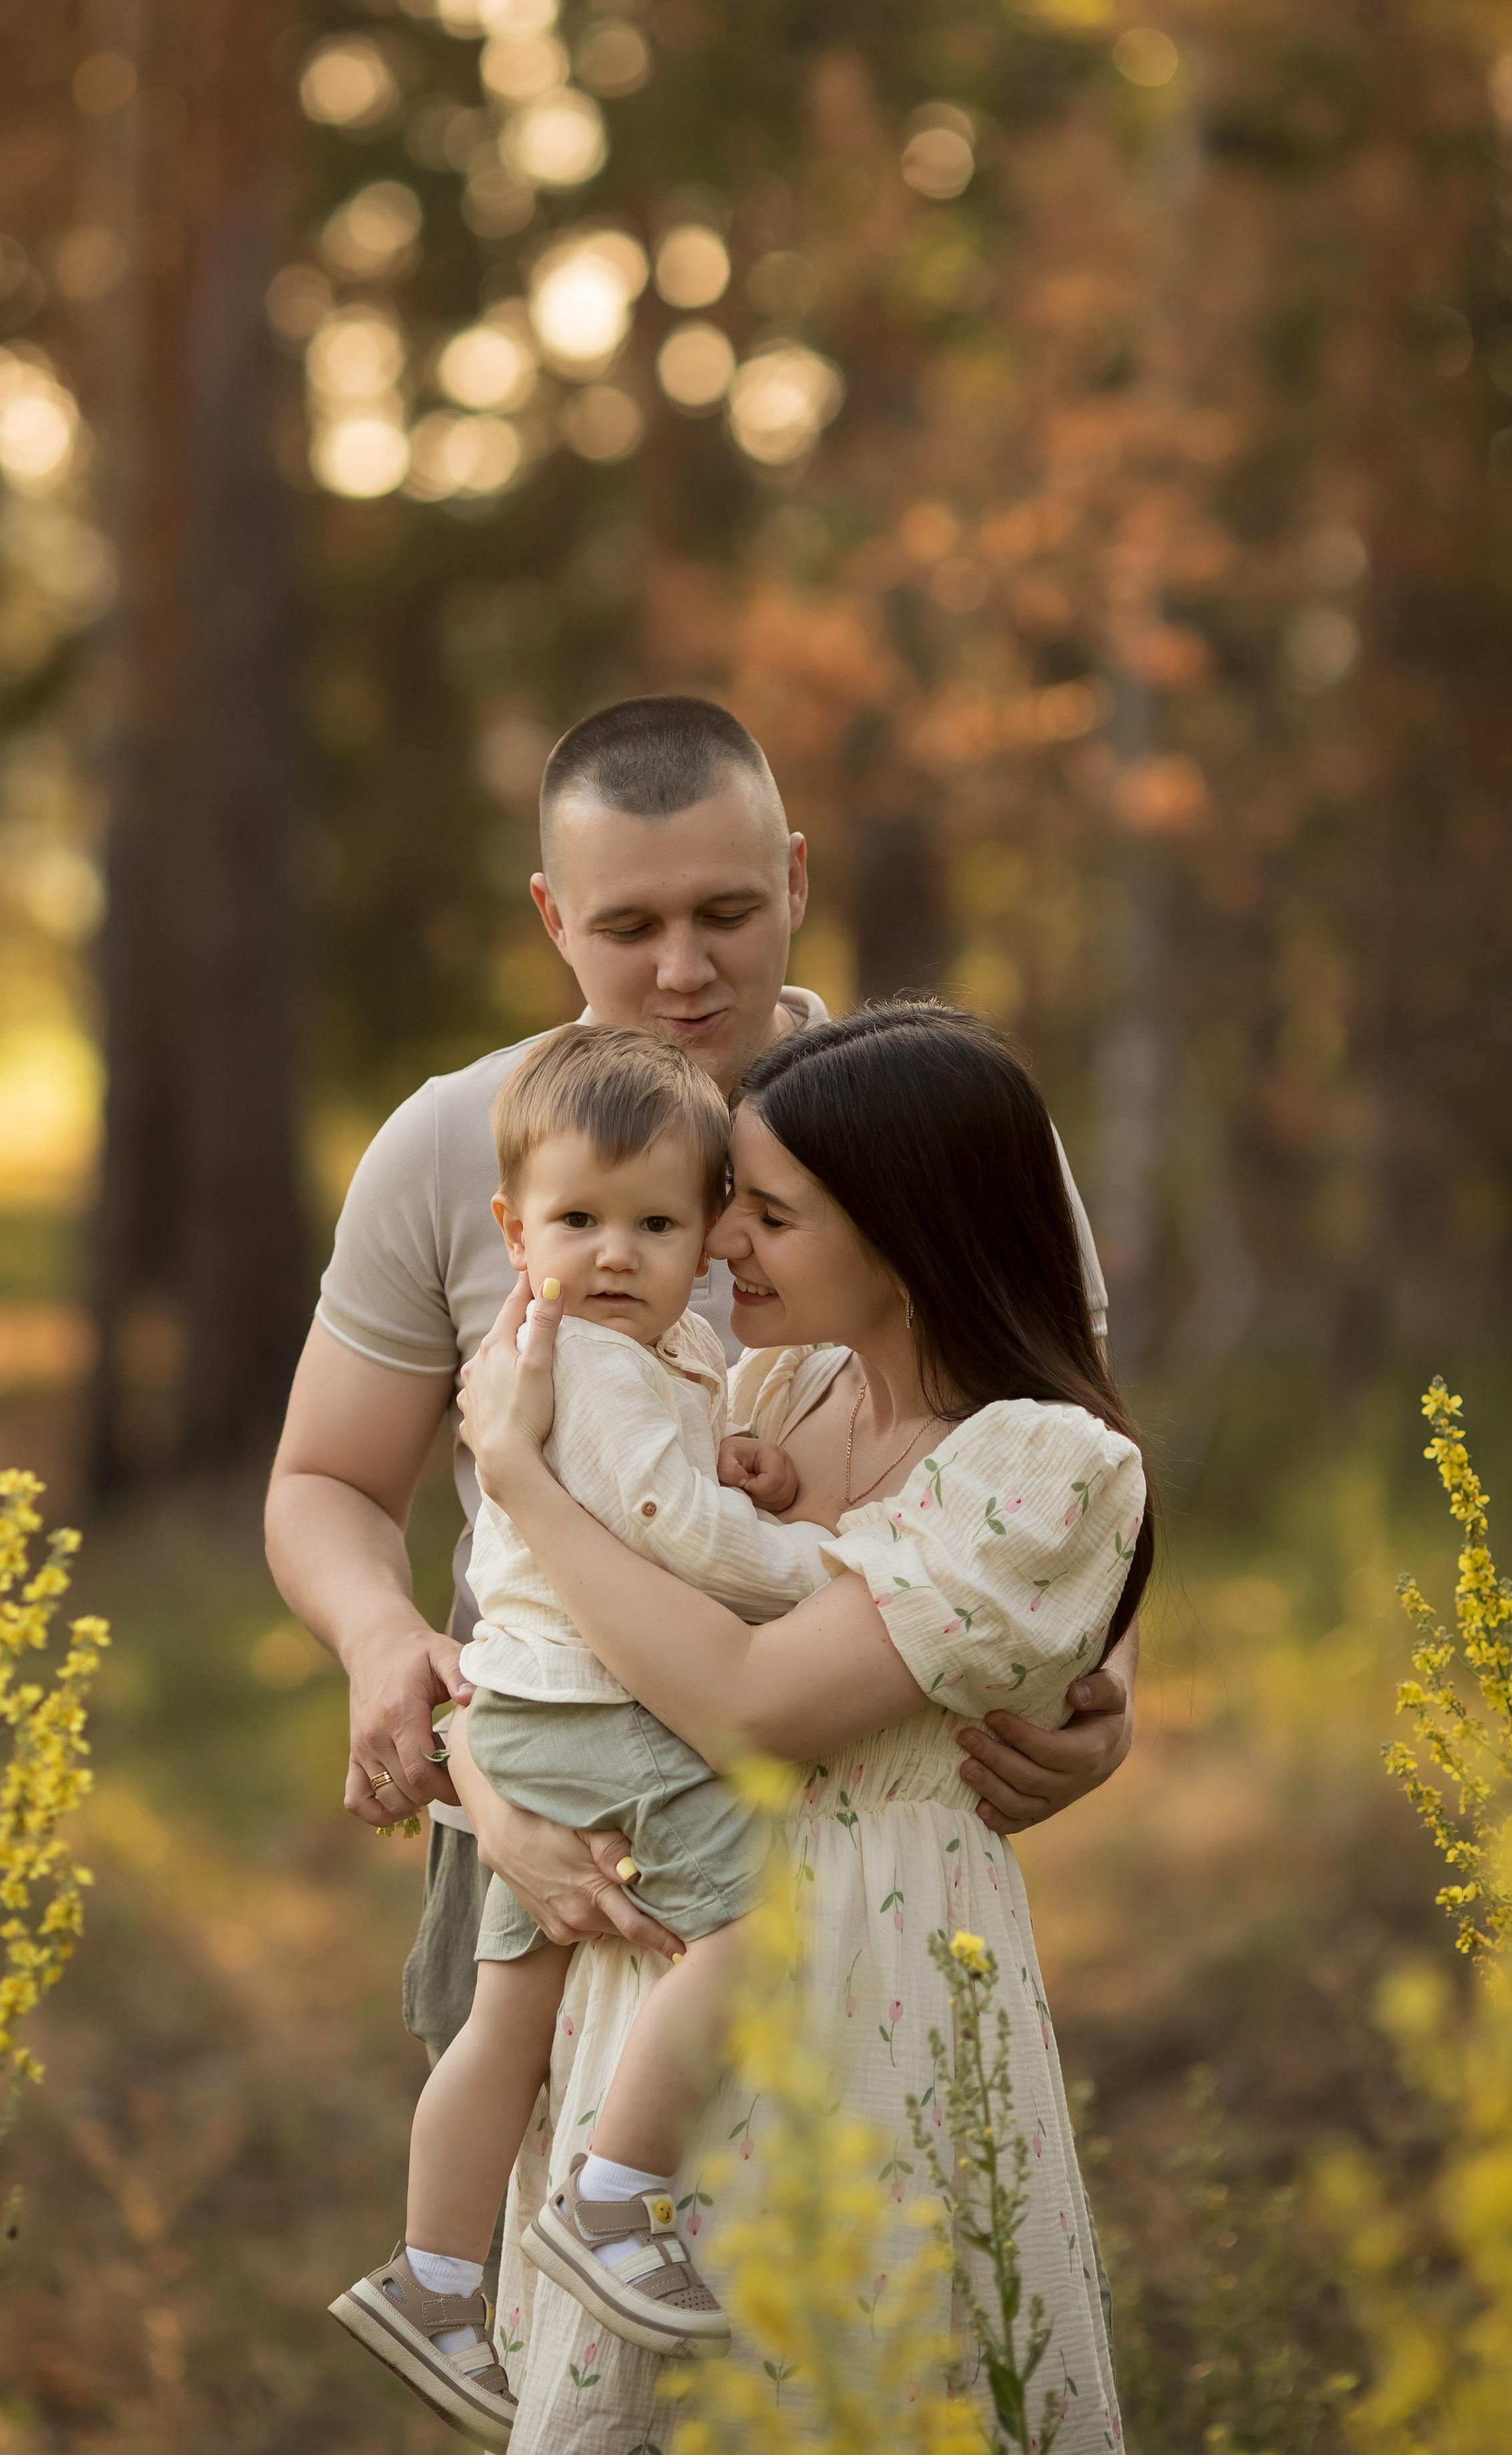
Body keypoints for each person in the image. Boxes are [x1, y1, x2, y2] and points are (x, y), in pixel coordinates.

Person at [265, 695, 1137, 2080]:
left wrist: (1097, 1673)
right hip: (547, 1825)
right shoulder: (453, 1145)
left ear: (794, 876)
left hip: (859, 1849)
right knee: (543, 2257)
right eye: (626, 928)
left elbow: (1054, 1433)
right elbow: (325, 1483)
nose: (684, 970)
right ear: (551, 915)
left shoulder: (933, 1128)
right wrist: (384, 1649)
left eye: (726, 912)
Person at [455, 1003, 1152, 2453]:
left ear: (907, 1230)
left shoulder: (1039, 1461)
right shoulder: (769, 1394)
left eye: (765, 1216)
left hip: (873, 1982)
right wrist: (482, 1766)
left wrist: (519, 1479)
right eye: (727, 1209)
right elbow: (546, 1642)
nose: (715, 1249)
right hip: (668, 1977)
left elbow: (751, 1710)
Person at [329, 1024, 833, 2443]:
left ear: (708, 1235)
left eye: (656, 1222)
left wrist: (725, 1455)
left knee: (506, 2025)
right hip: (590, 1713)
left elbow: (654, 1480)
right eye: (578, 1222)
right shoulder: (597, 1362)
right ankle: (617, 2198)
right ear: (512, 1228)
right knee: (750, 1922)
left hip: (527, 1707)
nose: (616, 1252)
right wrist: (833, 1563)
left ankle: (432, 2279)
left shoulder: (615, 1351)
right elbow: (671, 1532)